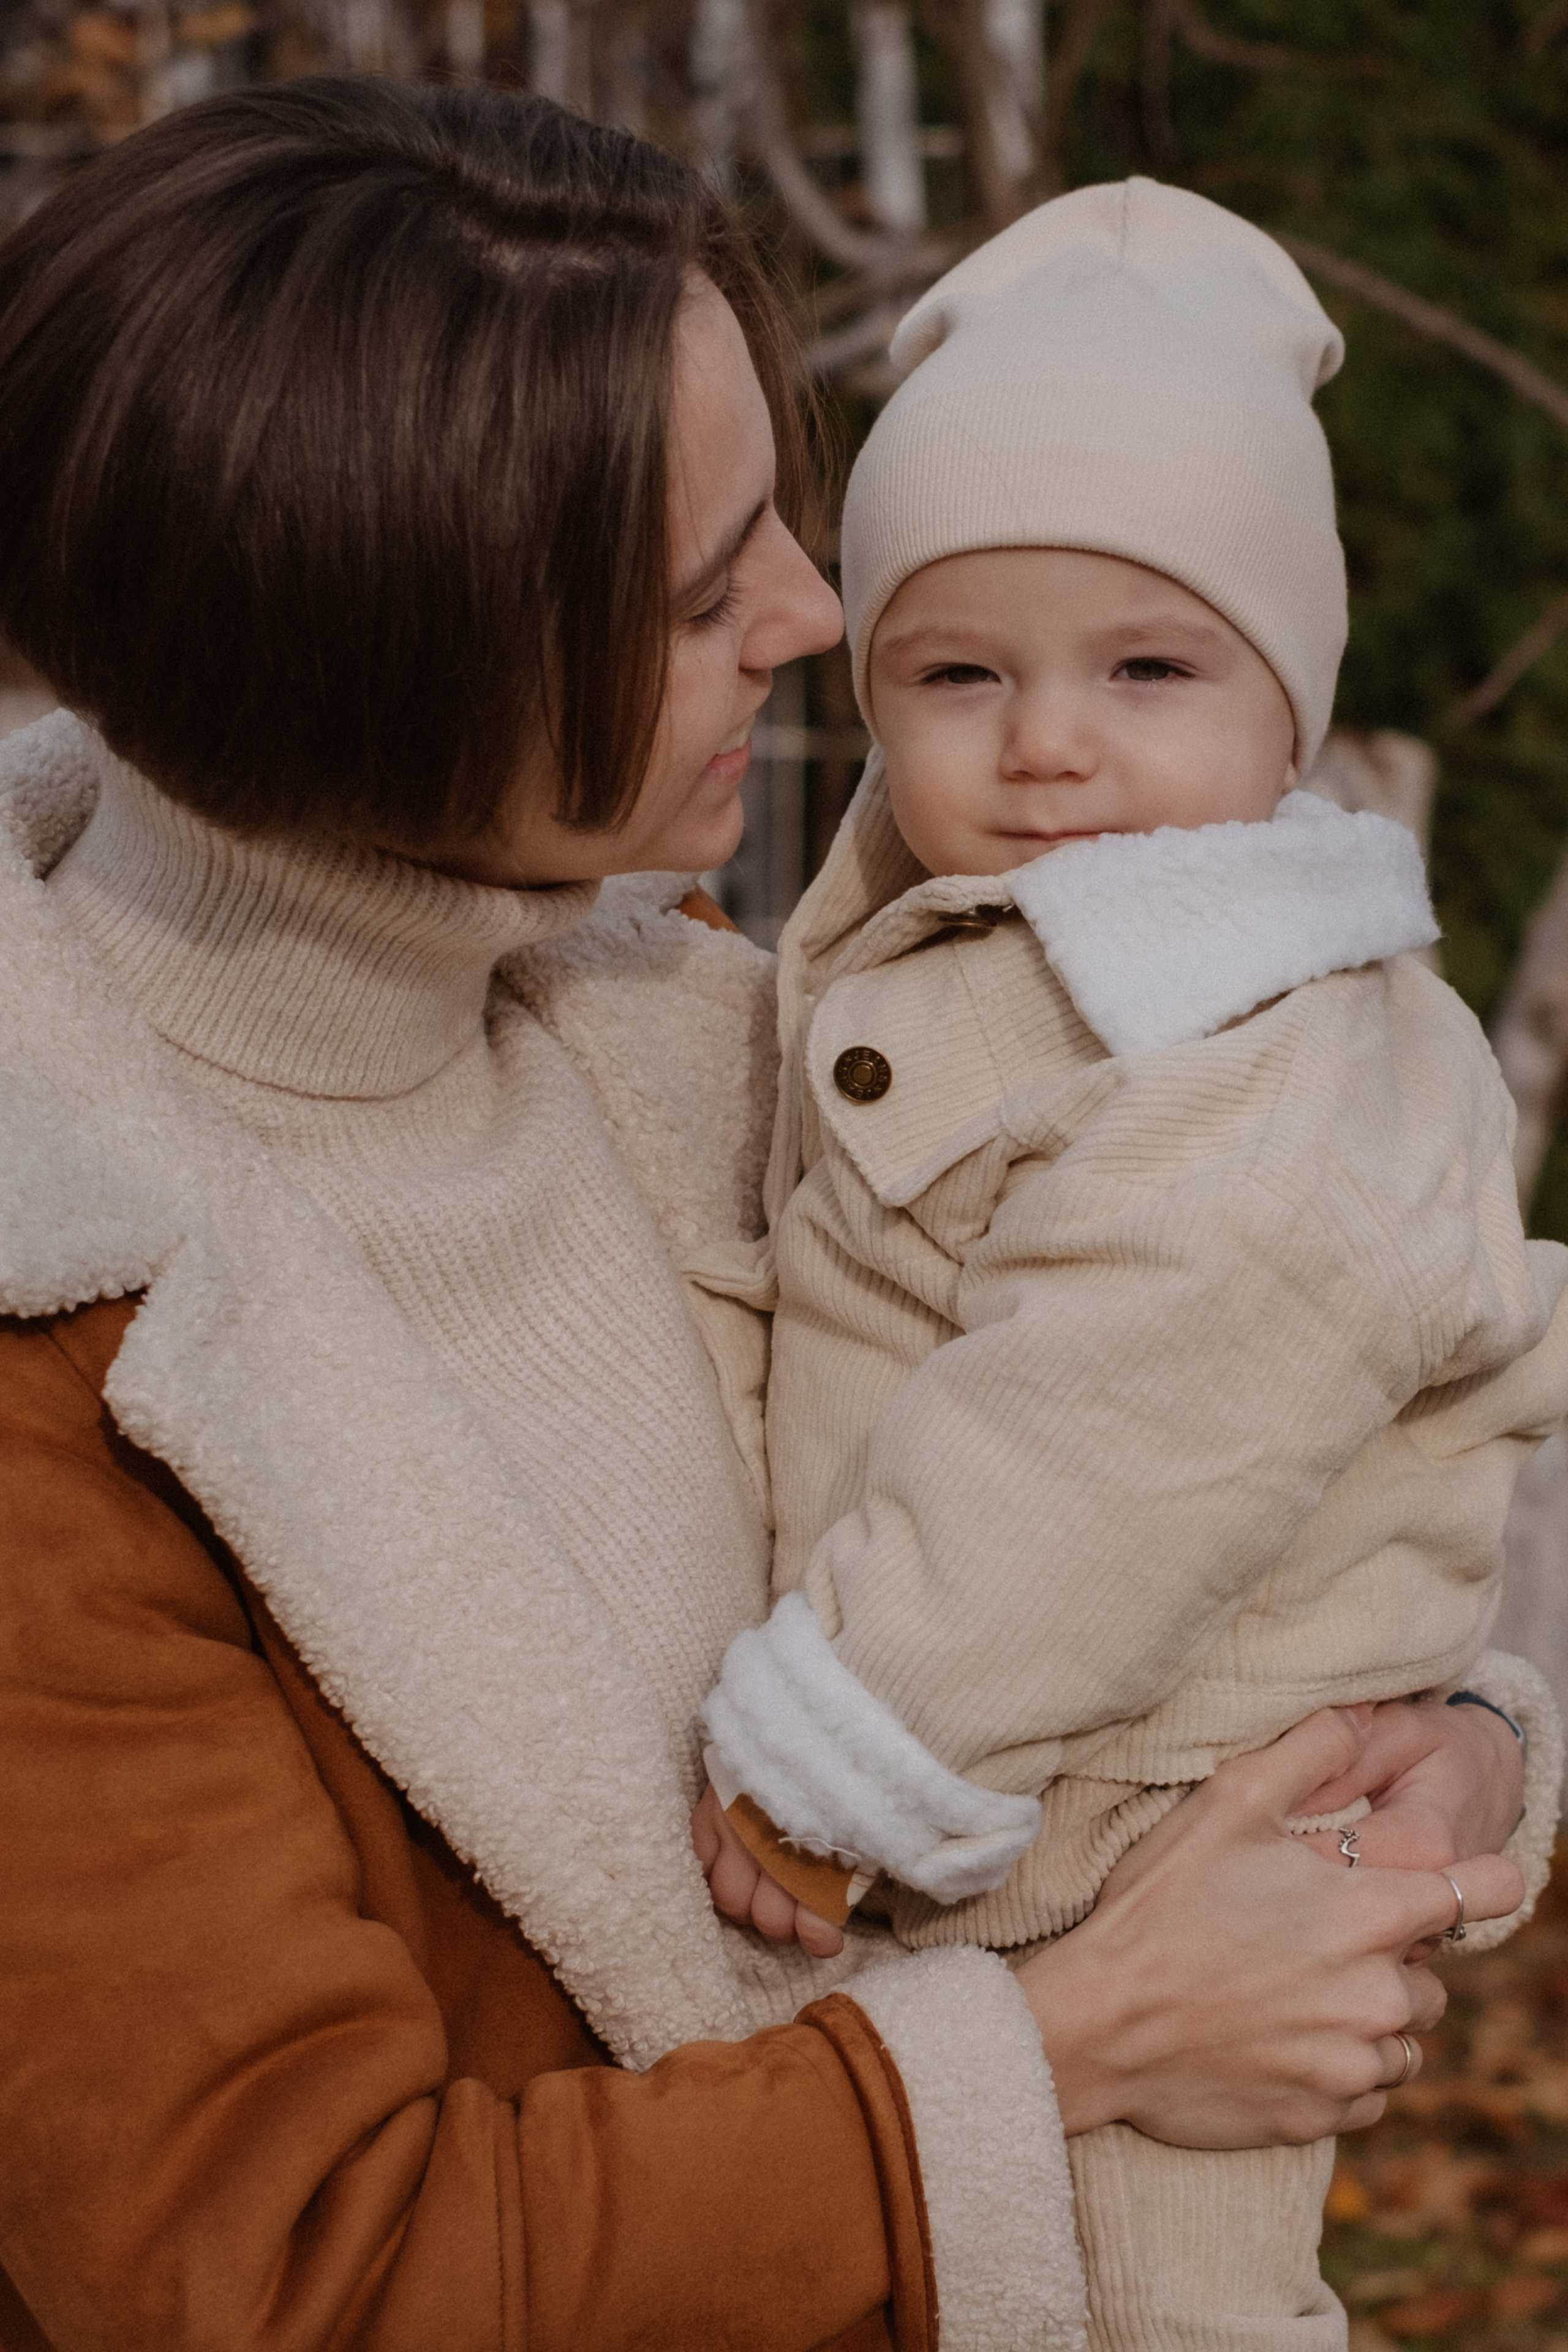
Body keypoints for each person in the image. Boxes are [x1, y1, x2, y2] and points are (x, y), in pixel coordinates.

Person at [0, 88, 1541, 2352]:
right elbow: (298, 2280)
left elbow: (1252, 1358)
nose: (821, 616)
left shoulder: (693, 1014)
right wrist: (1077, 2043)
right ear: (408, 667)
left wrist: (1454, 1727)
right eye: (707, 585)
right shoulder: (73, 1359)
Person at [695, 181, 1568, 2350]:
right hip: (1034, 1823)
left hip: (1178, 1817)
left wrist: (844, 1755)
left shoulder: (1276, 1039)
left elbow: (1125, 1431)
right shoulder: (979, 957)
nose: (1049, 743)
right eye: (956, 673)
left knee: (1162, 2304)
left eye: (1149, 666)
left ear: (1294, 705)